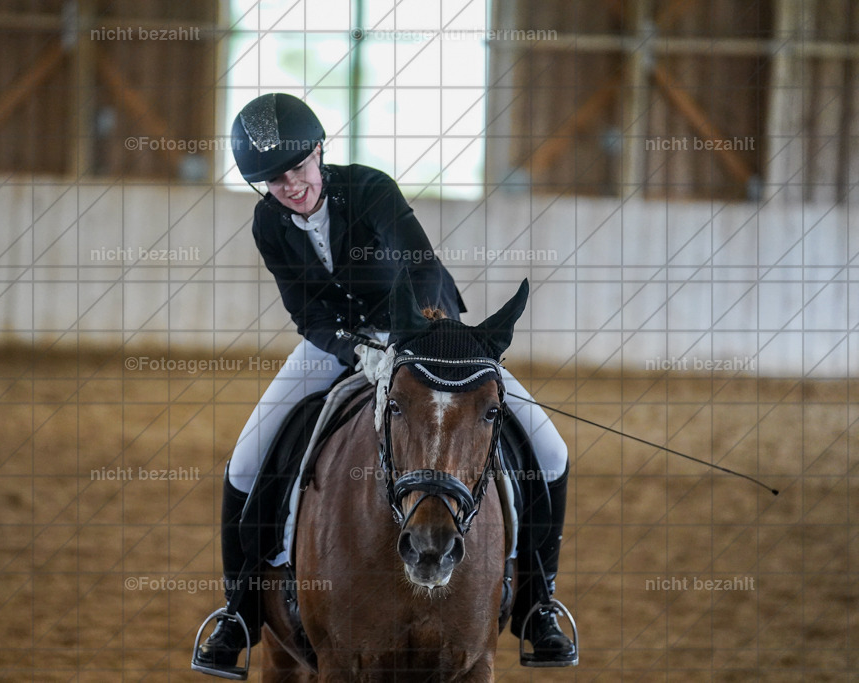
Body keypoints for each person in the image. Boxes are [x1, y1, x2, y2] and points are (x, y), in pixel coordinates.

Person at [192, 93, 577, 678]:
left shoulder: (368, 188)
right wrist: (357, 351)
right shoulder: (269, 222)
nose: (291, 186)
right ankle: (237, 616)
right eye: (273, 180)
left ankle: (539, 605)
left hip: (423, 335)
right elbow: (307, 312)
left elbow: (419, 264)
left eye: (297, 169)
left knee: (550, 450)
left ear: (319, 151)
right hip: (339, 347)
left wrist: (411, 336)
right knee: (244, 463)